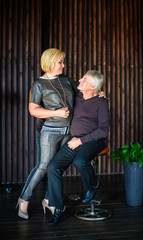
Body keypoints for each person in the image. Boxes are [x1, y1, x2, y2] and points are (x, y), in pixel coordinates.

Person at [16, 48, 78, 219]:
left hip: (69, 131)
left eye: (63, 62)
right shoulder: (39, 84)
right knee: (43, 166)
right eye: (60, 62)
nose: (63, 66)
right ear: (50, 63)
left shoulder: (66, 80)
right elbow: (33, 109)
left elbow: (82, 93)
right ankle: (24, 199)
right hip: (49, 132)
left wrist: (97, 93)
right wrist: (56, 113)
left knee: (56, 167)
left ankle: (49, 200)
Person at [46, 70, 110, 227]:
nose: (80, 80)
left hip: (93, 141)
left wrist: (81, 141)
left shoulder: (101, 102)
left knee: (80, 162)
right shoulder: (78, 95)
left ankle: (93, 185)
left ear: (93, 86)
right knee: (53, 167)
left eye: (85, 79)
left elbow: (103, 130)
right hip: (74, 140)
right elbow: (64, 81)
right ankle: (60, 209)